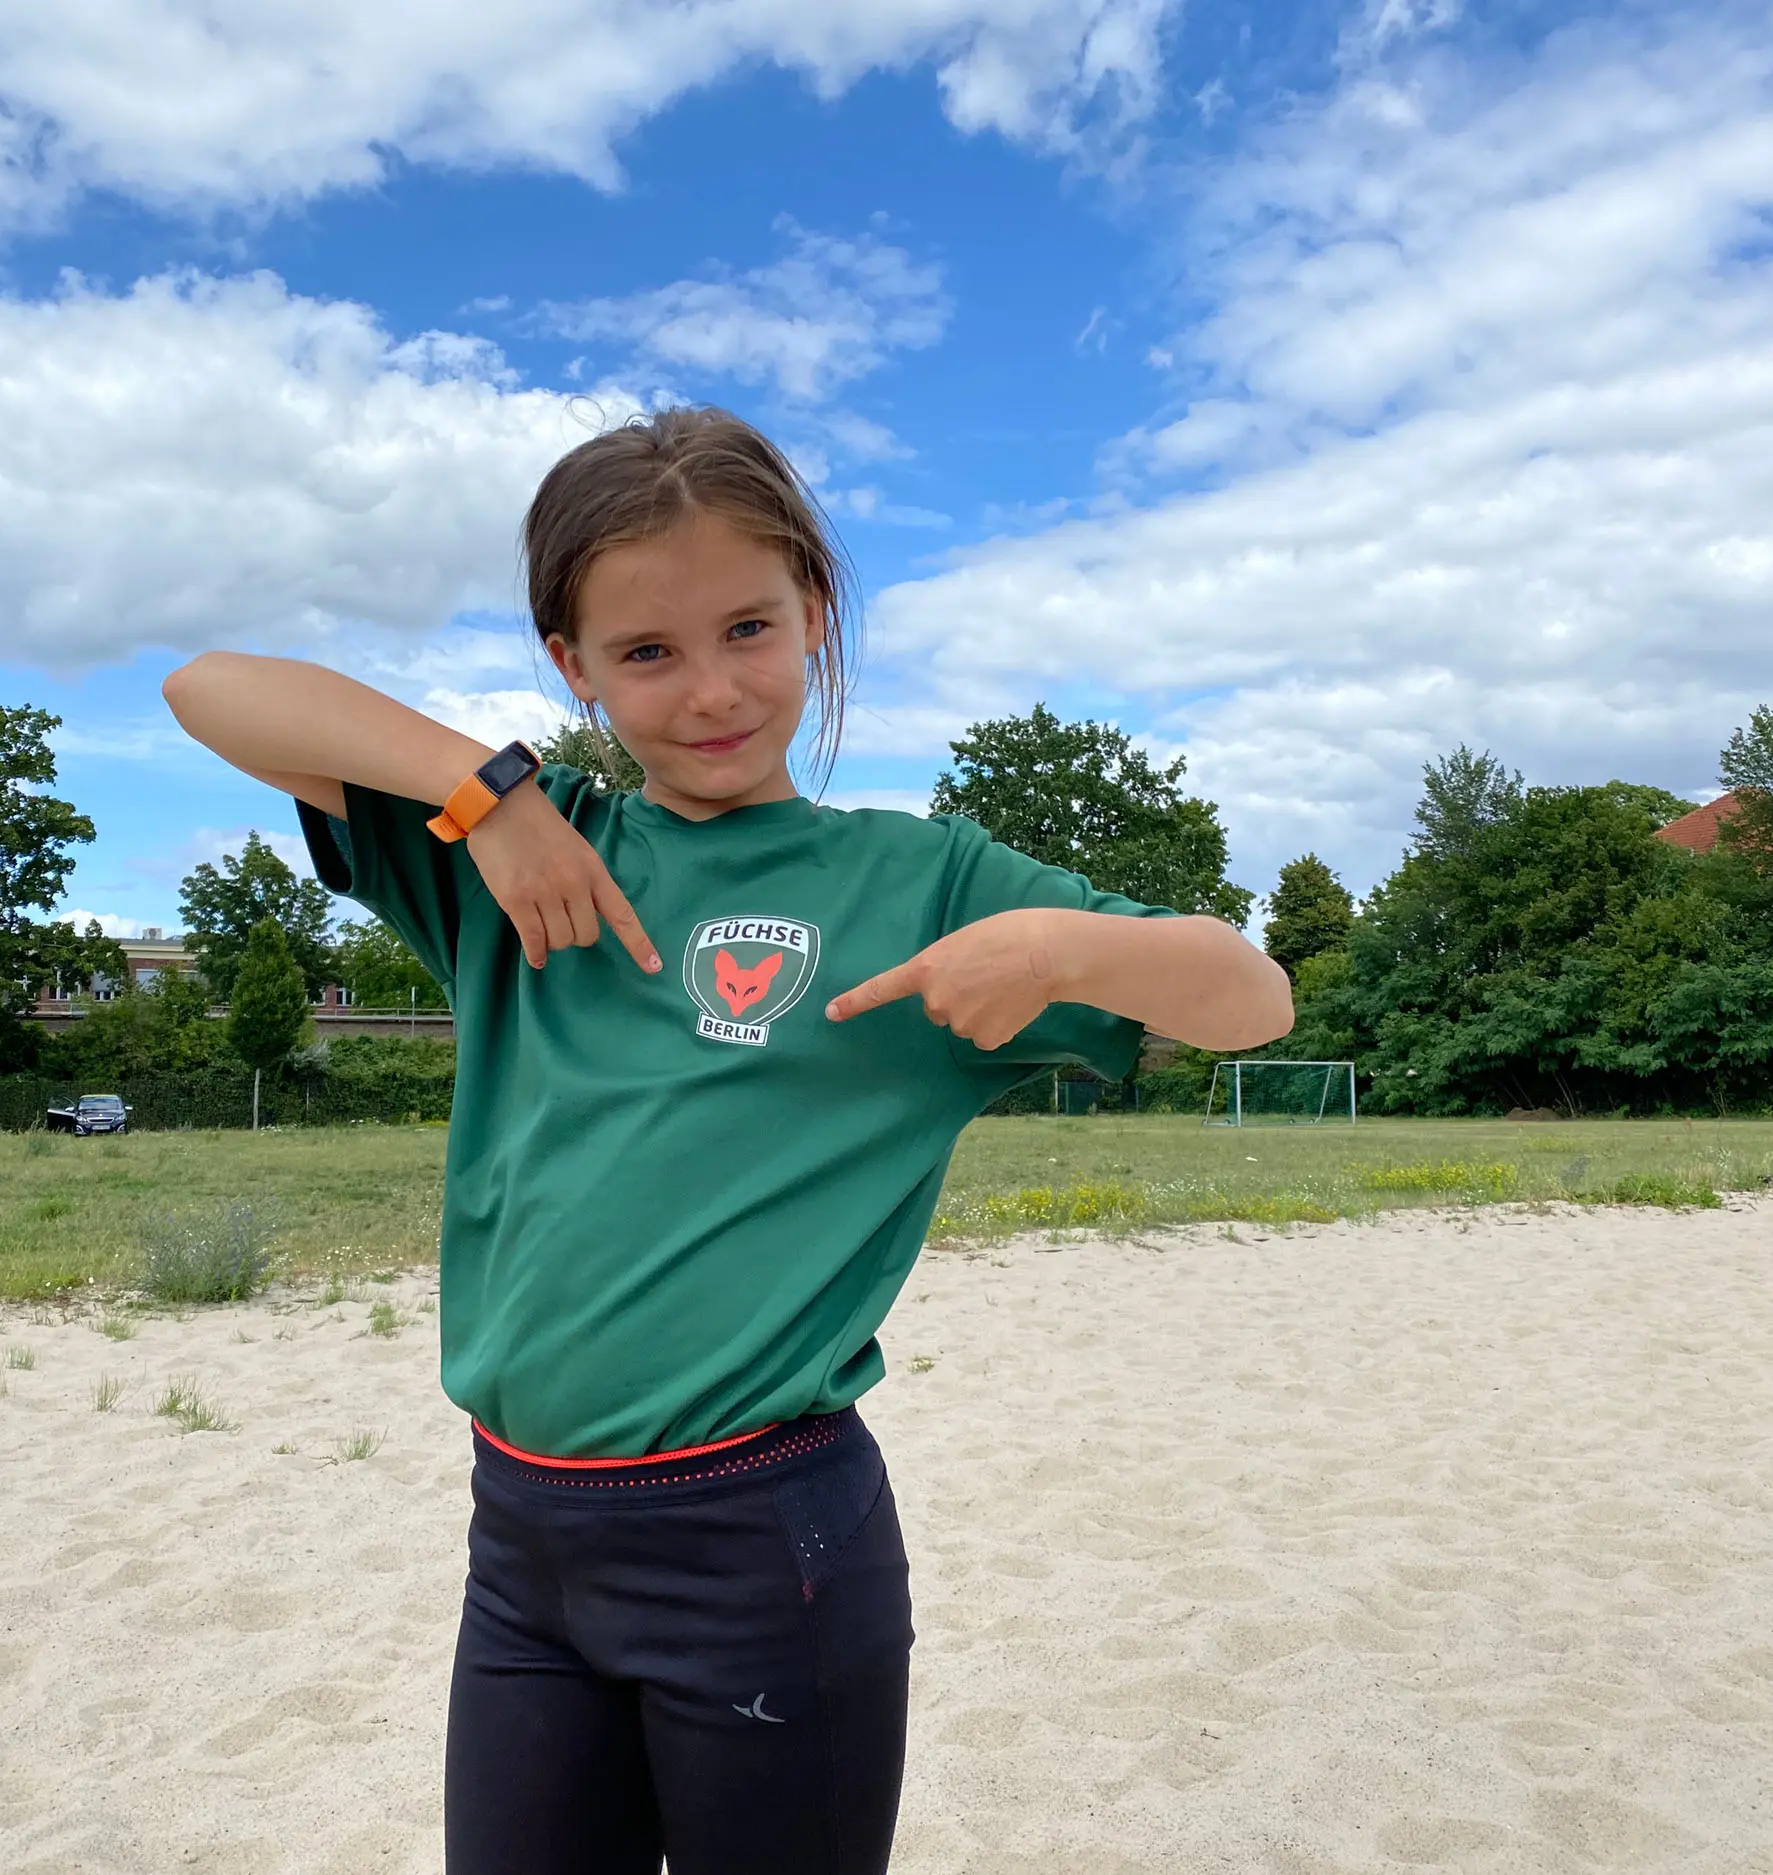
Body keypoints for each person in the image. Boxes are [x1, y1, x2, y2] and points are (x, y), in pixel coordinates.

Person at [160, 406, 1294, 1875]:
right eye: (645, 651)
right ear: (572, 665)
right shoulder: (526, 866)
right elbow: (210, 690)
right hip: (521, 1547)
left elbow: (1252, 1000)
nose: (710, 690)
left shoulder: (926, 881)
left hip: (762, 1548)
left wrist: (1059, 947)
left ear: (816, 612)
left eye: (750, 627)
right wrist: (486, 793)